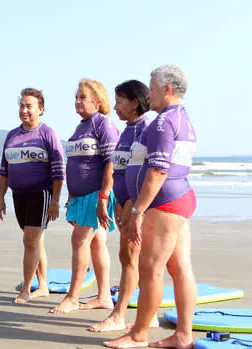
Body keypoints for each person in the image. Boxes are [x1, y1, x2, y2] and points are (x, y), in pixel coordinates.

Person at [103, 65, 197, 349]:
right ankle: (182, 335)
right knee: (179, 268)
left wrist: (138, 211)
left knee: (150, 268)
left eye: (153, 87)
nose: (149, 93)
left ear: (167, 89)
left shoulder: (163, 122)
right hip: (178, 198)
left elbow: (158, 170)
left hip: (164, 203)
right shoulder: (183, 118)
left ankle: (139, 334)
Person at [50, 79, 119, 314]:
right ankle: (104, 297)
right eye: (76, 97)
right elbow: (76, 164)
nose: (77, 101)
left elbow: (111, 163)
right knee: (97, 242)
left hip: (96, 194)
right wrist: (71, 197)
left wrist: (103, 196)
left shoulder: (104, 125)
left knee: (79, 241)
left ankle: (72, 297)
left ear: (97, 101)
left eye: (83, 97)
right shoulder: (81, 127)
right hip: (79, 196)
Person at [89, 80, 152, 332]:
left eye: (119, 101)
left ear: (135, 101)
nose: (114, 107)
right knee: (133, 258)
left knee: (131, 257)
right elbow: (120, 169)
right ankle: (148, 312)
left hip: (138, 205)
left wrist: (134, 207)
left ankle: (119, 315)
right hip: (123, 202)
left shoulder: (147, 128)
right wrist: (113, 200)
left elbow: (150, 172)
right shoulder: (127, 130)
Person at [0, 88, 65, 304]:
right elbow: (4, 169)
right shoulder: (12, 136)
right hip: (19, 195)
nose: (24, 110)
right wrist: (1, 198)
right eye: (22, 106)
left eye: (29, 106)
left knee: (30, 240)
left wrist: (55, 200)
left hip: (41, 193)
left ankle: (26, 289)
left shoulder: (48, 134)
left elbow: (58, 169)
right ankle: (43, 286)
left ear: (40, 109)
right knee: (35, 242)